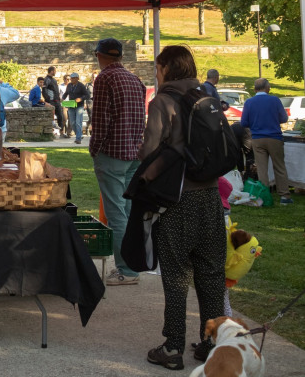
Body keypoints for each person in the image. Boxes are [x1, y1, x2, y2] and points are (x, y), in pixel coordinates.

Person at [142, 46, 225, 371]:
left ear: (165, 68)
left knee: (176, 276)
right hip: (211, 198)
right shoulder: (208, 95)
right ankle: (212, 343)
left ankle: (173, 345)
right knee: (211, 274)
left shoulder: (163, 101)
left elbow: (149, 152)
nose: (156, 72)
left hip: (178, 199)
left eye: (157, 67)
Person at [88, 38, 146, 286]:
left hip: (112, 152)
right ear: (120, 56)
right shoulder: (136, 79)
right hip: (133, 151)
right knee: (129, 212)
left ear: (99, 55)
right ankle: (134, 263)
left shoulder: (104, 79)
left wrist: (94, 148)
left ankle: (127, 269)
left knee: (115, 212)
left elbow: (100, 120)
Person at [240, 78, 292, 205]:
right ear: (267, 87)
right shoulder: (274, 100)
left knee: (262, 168)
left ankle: (264, 195)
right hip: (274, 137)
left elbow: (244, 123)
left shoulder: (249, 102)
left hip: (257, 138)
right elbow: (284, 118)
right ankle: (284, 196)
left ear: (254, 89)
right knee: (279, 166)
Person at [62, 72, 91, 144]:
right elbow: (66, 93)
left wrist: (80, 99)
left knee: (78, 122)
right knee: (72, 123)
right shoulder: (69, 85)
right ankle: (79, 134)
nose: (71, 79)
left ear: (77, 78)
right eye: (71, 78)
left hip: (79, 106)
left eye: (73, 78)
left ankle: (78, 139)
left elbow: (87, 95)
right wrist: (63, 98)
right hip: (71, 106)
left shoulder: (81, 86)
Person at [44, 67, 65, 136]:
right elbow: (44, 90)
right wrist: (48, 99)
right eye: (55, 71)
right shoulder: (46, 79)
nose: (55, 72)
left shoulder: (54, 80)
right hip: (51, 101)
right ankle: (50, 133)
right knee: (51, 117)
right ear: (52, 71)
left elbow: (56, 91)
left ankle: (61, 132)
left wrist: (59, 99)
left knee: (61, 117)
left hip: (57, 101)